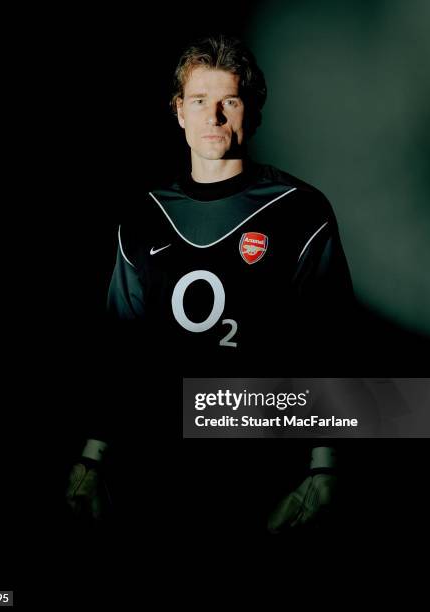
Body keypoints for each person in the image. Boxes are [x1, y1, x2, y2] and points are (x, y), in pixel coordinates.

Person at [67, 34, 355, 540]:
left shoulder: (300, 210)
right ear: (179, 112)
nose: (214, 117)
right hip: (155, 470)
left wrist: (324, 466)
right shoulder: (143, 215)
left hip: (263, 469)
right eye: (199, 102)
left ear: (254, 111)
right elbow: (119, 347)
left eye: (230, 101)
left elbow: (330, 343)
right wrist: (94, 457)